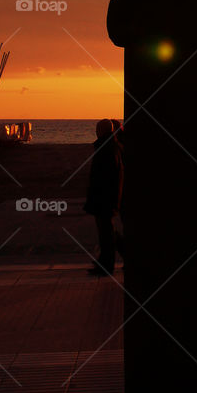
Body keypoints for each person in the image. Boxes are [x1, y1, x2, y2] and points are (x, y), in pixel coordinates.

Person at [84, 118, 123, 276]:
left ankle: (106, 265)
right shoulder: (113, 146)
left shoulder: (106, 148)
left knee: (106, 233)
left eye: (97, 128)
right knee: (108, 231)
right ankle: (107, 260)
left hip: (104, 198)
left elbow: (104, 176)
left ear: (101, 130)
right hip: (107, 197)